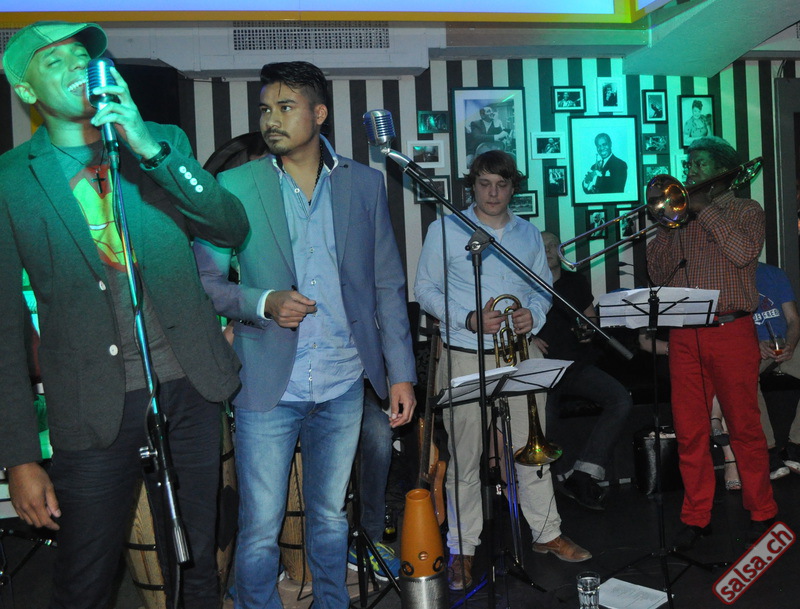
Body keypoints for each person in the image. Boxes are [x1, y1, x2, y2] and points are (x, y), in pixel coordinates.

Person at [0, 21, 249, 609]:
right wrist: (19, 457)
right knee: (84, 581)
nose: (75, 66)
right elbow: (4, 329)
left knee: (199, 567)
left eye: (80, 55)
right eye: (54, 61)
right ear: (27, 90)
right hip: (91, 406)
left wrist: (146, 147)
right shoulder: (11, 179)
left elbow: (230, 227)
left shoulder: (158, 140)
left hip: (189, 386)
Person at [192, 61, 417, 609]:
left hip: (343, 381)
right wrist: (263, 301)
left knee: (330, 516)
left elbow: (387, 284)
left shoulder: (364, 184)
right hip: (268, 383)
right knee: (260, 526)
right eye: (265, 109)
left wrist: (401, 375)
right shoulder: (234, 186)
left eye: (285, 107)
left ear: (319, 114)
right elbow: (205, 282)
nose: (271, 119)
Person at [415, 150, 591, 592]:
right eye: (484, 184)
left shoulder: (528, 233)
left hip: (519, 352)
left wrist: (534, 313)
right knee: (466, 456)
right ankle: (462, 548)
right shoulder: (445, 229)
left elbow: (543, 290)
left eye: (502, 184)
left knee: (532, 449)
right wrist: (469, 318)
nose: (493, 193)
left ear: (514, 187)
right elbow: (425, 289)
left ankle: (547, 532)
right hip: (464, 353)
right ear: (471, 185)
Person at [646, 136, 777, 551]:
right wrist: (666, 225)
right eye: (688, 165)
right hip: (685, 334)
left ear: (723, 170)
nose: (690, 172)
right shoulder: (680, 219)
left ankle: (762, 509)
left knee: (744, 427)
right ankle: (696, 516)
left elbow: (743, 253)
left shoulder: (746, 210)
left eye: (699, 165)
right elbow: (658, 274)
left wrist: (705, 210)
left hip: (732, 330)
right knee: (689, 432)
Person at [532, 232, 633, 510]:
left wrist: (589, 329)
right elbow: (513, 318)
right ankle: (564, 476)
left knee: (620, 399)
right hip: (543, 370)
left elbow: (591, 318)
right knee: (545, 421)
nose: (549, 250)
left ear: (561, 250)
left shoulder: (575, 280)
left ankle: (584, 472)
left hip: (576, 365)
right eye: (543, 246)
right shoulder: (527, 282)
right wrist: (529, 338)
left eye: (553, 245)